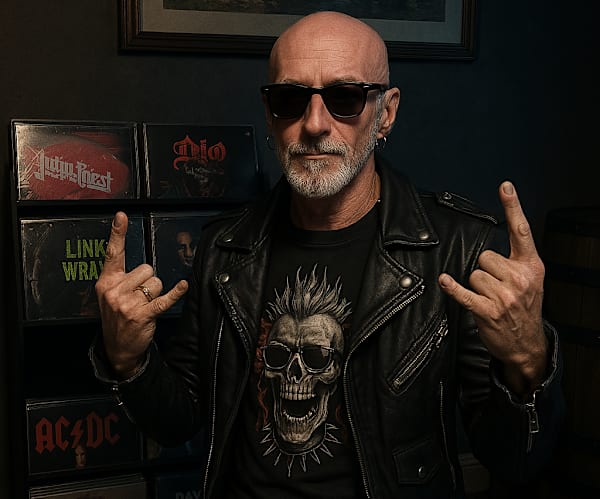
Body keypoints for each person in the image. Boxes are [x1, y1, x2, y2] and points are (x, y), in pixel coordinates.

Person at [91, 11, 564, 499]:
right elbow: (177, 422)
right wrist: (127, 359)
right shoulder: (225, 248)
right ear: (269, 113)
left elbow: (515, 461)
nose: (314, 124)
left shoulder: (458, 249)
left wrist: (529, 359)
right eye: (290, 100)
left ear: (386, 113)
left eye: (345, 98)